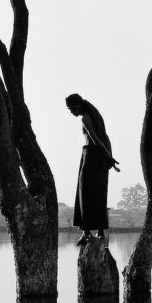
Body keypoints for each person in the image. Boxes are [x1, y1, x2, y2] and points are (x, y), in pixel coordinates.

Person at [66, 93, 120, 245]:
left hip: (92, 157)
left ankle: (86, 232)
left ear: (78, 105)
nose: (71, 112)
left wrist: (108, 156)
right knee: (99, 193)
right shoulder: (94, 116)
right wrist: (108, 155)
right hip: (99, 158)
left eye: (71, 108)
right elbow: (104, 138)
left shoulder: (86, 118)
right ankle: (99, 232)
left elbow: (95, 139)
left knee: (85, 194)